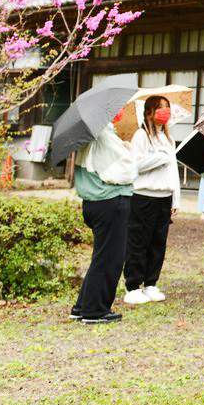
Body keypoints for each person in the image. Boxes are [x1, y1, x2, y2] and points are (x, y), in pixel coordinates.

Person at [70, 112, 135, 324]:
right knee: (111, 258)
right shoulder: (104, 135)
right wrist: (129, 152)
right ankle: (95, 310)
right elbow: (123, 172)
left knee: (101, 256)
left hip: (93, 202)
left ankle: (83, 306)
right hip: (110, 201)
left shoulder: (88, 135)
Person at [124, 96, 180, 306]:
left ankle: (151, 283)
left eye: (167, 107)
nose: (165, 112)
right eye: (160, 108)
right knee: (139, 241)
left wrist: (176, 199)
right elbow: (137, 165)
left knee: (158, 242)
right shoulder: (141, 136)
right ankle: (133, 285)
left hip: (164, 197)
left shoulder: (167, 138)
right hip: (144, 196)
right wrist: (162, 157)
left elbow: (173, 170)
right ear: (149, 112)